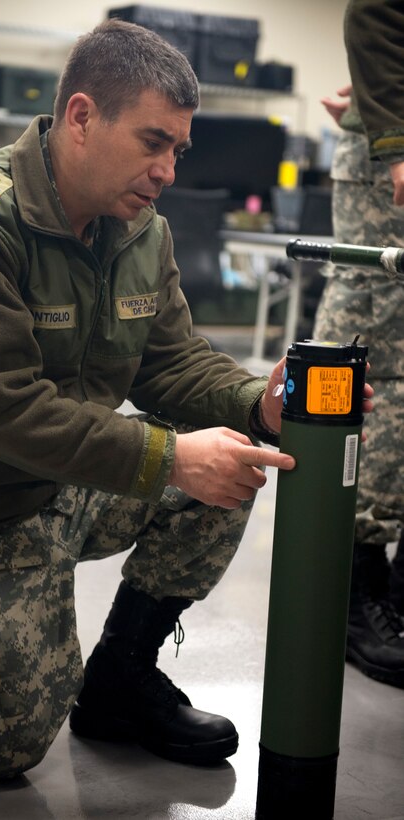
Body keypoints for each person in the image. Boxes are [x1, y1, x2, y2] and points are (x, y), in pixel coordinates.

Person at [0, 19, 369, 781]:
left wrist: (251, 406)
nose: (166, 169)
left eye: (177, 150)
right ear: (82, 116)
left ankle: (121, 680)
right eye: (151, 141)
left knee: (228, 465)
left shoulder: (139, 232)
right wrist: (168, 458)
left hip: (60, 479)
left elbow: (169, 365)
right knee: (4, 748)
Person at [315, 0, 404, 689]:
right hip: (390, 167)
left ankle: (388, 588)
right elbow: (374, 11)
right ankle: (352, 585)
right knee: (383, 363)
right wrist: (396, 137)